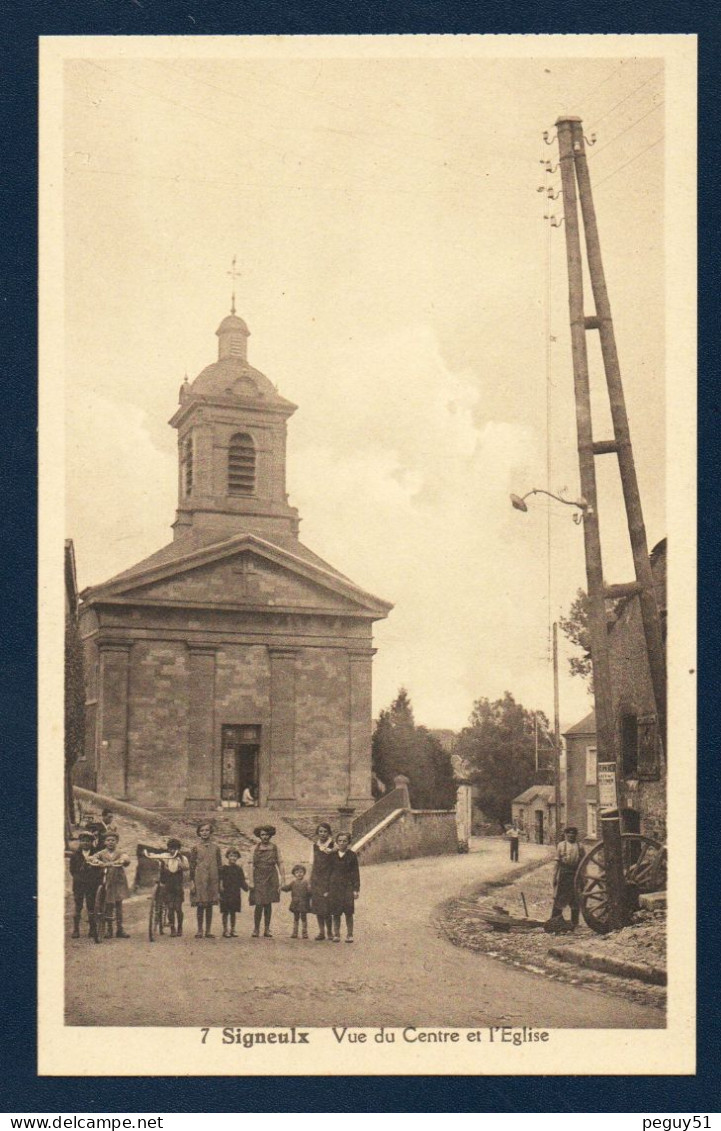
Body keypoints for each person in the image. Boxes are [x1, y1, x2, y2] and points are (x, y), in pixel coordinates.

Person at [88, 830, 131, 938]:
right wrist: (97, 862)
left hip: (118, 882)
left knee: (118, 904)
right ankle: (109, 930)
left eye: (113, 840)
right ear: (105, 842)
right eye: (108, 840)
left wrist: (122, 861)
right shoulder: (102, 853)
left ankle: (120, 929)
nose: (111, 842)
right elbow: (92, 857)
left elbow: (126, 858)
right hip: (106, 881)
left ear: (116, 842)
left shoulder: (120, 852)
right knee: (108, 905)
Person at [143, 838, 189, 937]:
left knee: (178, 908)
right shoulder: (165, 856)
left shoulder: (182, 858)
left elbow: (186, 867)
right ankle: (172, 928)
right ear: (168, 849)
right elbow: (155, 856)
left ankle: (180, 927)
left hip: (177, 886)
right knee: (170, 908)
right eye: (171, 849)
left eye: (175, 849)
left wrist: (180, 862)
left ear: (179, 849)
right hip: (168, 885)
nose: (173, 851)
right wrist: (149, 854)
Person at [250, 826, 284, 938]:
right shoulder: (255, 848)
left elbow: (280, 863)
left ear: (270, 835)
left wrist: (282, 878)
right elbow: (251, 864)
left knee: (268, 903)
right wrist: (251, 880)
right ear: (259, 836)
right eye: (262, 835)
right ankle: (256, 929)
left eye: (266, 834)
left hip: (271, 876)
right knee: (259, 903)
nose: (265, 837)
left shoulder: (275, 848)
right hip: (258, 876)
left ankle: (267, 929)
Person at [68, 830, 103, 942]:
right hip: (79, 884)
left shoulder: (96, 854)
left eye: (88, 841)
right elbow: (72, 870)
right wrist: (79, 877)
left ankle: (92, 929)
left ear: (92, 842)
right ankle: (76, 929)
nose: (85, 843)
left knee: (91, 906)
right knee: (78, 906)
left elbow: (100, 869)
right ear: (80, 842)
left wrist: (94, 879)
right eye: (83, 841)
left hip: (92, 884)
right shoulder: (75, 855)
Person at [189, 822, 222, 939]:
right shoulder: (195, 848)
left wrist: (220, 882)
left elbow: (219, 865)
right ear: (199, 833)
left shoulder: (216, 848)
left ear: (211, 832)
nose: (204, 832)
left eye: (207, 830)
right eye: (202, 830)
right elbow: (192, 866)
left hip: (213, 879)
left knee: (209, 905)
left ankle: (208, 930)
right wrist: (192, 882)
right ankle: (199, 930)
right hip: (200, 879)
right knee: (200, 904)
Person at [550, 826, 587, 928]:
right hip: (564, 874)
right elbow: (557, 863)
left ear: (576, 836)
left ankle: (574, 923)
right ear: (566, 835)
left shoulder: (580, 846)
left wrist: (584, 878)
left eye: (573, 835)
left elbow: (583, 864)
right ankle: (554, 921)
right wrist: (554, 876)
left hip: (576, 874)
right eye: (569, 835)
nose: (571, 837)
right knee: (560, 897)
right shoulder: (561, 845)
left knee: (575, 898)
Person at [328, 831, 360, 943]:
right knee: (336, 912)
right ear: (336, 842)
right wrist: (327, 889)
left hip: (347, 887)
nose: (342, 843)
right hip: (335, 887)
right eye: (340, 841)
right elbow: (328, 872)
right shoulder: (332, 855)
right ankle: (336, 934)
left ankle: (350, 934)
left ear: (349, 842)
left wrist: (356, 889)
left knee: (348, 911)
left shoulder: (352, 855)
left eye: (344, 841)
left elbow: (356, 873)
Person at [309, 822, 335, 940]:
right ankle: (321, 932)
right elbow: (312, 863)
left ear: (329, 833)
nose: (322, 834)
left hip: (328, 879)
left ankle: (330, 932)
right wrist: (310, 880)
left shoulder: (333, 845)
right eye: (320, 832)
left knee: (327, 907)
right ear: (317, 833)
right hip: (316, 879)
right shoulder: (315, 846)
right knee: (318, 907)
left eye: (325, 831)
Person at [219, 849, 249, 937]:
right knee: (225, 911)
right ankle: (225, 930)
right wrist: (220, 888)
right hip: (225, 892)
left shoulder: (239, 869)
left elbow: (242, 881)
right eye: (231, 856)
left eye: (235, 856)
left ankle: (233, 929)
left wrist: (247, 888)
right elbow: (220, 880)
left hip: (235, 893)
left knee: (233, 912)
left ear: (237, 858)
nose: (233, 858)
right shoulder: (223, 868)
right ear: (227, 856)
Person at [282, 864, 312, 939]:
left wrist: (310, 889)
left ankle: (304, 933)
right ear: (294, 874)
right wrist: (281, 887)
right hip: (295, 903)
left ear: (304, 873)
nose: (299, 874)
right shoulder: (293, 883)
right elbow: (287, 888)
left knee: (303, 917)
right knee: (296, 917)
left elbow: (310, 893)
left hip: (304, 903)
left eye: (301, 872)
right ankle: (295, 932)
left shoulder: (306, 883)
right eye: (297, 872)